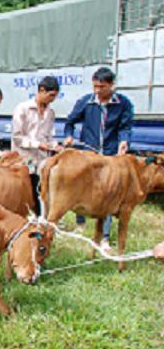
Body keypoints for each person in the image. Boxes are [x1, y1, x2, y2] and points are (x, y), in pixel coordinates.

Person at [64, 67, 133, 252]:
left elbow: (125, 127)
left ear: (111, 85)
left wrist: (124, 141)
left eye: (101, 87)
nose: (97, 90)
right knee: (82, 188)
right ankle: (80, 223)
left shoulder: (123, 104)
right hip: (89, 153)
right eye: (94, 86)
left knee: (109, 193)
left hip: (111, 155)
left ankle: (104, 237)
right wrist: (69, 136)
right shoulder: (86, 102)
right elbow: (70, 122)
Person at [12, 76, 62, 215]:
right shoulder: (23, 109)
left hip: (41, 161)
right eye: (51, 95)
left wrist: (55, 146)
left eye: (55, 96)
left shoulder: (50, 113)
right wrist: (38, 144)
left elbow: (48, 137)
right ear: (41, 90)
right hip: (23, 159)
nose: (52, 99)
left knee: (41, 192)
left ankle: (40, 220)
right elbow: (17, 137)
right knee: (24, 194)